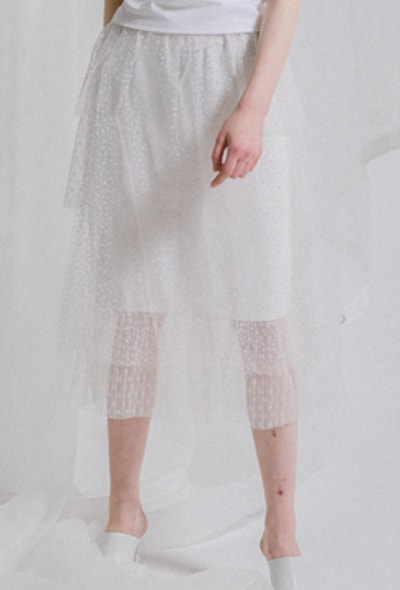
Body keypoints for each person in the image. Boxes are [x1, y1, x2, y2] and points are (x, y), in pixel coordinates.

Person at [57, 0, 307, 588]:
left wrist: (254, 107)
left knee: (261, 311)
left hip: (232, 67)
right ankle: (124, 511)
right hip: (134, 70)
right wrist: (116, 70)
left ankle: (282, 529)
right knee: (133, 304)